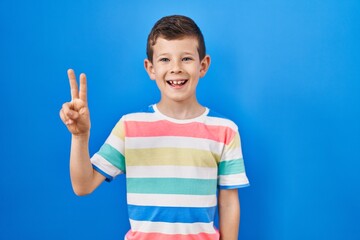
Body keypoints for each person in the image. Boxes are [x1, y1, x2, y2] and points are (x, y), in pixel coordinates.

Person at [59, 15, 249, 240]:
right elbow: (83, 185)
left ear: (203, 65)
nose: (176, 68)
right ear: (150, 68)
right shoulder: (130, 127)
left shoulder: (225, 131)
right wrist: (81, 136)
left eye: (186, 58)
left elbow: (229, 204)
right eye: (165, 60)